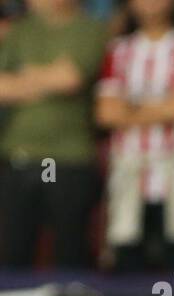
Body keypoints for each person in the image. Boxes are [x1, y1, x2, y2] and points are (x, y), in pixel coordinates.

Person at [96, 0, 174, 273]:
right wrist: (163, 106)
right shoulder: (118, 50)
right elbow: (106, 113)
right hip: (129, 171)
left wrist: (130, 107)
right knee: (126, 253)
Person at [0, 0, 108, 269]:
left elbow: (70, 78)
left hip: (69, 159)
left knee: (70, 251)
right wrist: (48, 78)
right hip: (18, 157)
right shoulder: (19, 30)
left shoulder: (91, 29)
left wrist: (24, 77)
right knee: (14, 252)